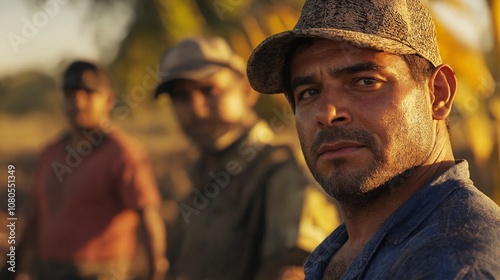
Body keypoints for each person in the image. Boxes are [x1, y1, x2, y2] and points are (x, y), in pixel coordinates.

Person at [246, 0, 500, 279]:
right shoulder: (343, 251)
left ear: (438, 94)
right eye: (309, 91)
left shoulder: (456, 265)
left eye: (365, 81)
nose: (327, 113)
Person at [154, 36, 340, 280]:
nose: (195, 108)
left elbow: (298, 268)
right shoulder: (197, 173)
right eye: (181, 96)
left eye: (208, 90)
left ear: (245, 90)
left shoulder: (280, 170)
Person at [7, 61, 167, 280]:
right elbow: (35, 215)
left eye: (89, 94)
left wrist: (156, 272)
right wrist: (16, 267)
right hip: (48, 270)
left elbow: (148, 214)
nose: (78, 103)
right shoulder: (50, 153)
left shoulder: (124, 154)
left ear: (108, 100)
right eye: (70, 95)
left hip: (102, 272)